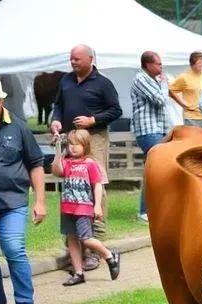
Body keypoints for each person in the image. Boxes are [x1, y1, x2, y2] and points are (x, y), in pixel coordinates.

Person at [50, 44, 122, 271]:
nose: (73, 62)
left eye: (77, 59)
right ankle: (74, 246)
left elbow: (116, 111)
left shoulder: (103, 83)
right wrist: (56, 119)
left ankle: (94, 247)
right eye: (71, 59)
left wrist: (93, 119)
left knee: (94, 184)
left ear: (90, 59)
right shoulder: (66, 81)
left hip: (95, 138)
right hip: (72, 139)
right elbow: (58, 105)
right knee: (72, 184)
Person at [0, 76, 46, 304]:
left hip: (12, 202)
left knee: (14, 249)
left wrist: (40, 201)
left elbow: (35, 164)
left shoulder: (18, 126)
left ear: (2, 99)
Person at [51, 130, 120, 286]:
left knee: (86, 238)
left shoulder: (90, 163)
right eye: (71, 144)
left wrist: (97, 206)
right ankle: (78, 272)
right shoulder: (67, 162)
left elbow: (97, 185)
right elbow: (57, 170)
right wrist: (57, 147)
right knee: (72, 239)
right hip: (67, 207)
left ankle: (110, 255)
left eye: (78, 144)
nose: (73, 147)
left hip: (84, 208)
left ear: (86, 145)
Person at [130, 51, 171, 222]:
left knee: (157, 169)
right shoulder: (141, 79)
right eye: (158, 64)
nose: (161, 67)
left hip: (159, 129)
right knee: (155, 169)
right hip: (148, 131)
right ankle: (144, 211)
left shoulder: (153, 80)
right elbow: (160, 100)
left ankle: (154, 209)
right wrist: (164, 84)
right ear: (148, 65)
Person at [169, 51, 202, 128]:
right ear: (192, 64)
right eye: (197, 63)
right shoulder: (184, 77)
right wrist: (182, 103)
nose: (200, 65)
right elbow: (170, 90)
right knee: (194, 139)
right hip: (192, 117)